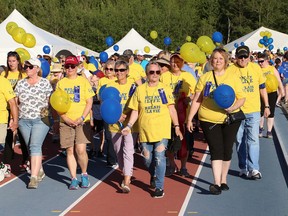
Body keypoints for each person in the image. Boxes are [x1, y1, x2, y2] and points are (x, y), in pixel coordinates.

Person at [186, 48, 245, 195]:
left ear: (225, 61)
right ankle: (216, 183)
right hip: (209, 118)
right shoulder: (205, 77)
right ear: (211, 60)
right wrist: (189, 118)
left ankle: (223, 179)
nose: (217, 61)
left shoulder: (233, 77)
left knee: (227, 149)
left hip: (230, 118)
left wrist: (232, 107)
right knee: (215, 149)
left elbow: (242, 98)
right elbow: (197, 99)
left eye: (220, 58)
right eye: (215, 58)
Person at [122, 61, 183, 198]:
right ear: (146, 74)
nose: (155, 75)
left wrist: (177, 126)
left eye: (157, 72)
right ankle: (154, 174)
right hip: (145, 131)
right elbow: (136, 111)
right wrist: (129, 126)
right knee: (147, 159)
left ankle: (159, 187)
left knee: (160, 158)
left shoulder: (165, 89)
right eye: (152, 72)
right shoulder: (140, 90)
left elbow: (171, 109)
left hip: (162, 130)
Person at [226, 45, 270, 179]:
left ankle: (254, 168)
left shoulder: (256, 68)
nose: (243, 59)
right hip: (237, 110)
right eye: (240, 57)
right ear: (236, 57)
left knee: (253, 140)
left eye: (245, 56)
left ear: (250, 56)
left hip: (254, 110)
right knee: (239, 140)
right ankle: (243, 167)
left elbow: (262, 88)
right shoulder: (230, 70)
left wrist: (267, 106)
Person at [55, 55, 94, 190]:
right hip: (66, 121)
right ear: (64, 68)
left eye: (72, 66)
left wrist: (82, 118)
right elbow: (57, 103)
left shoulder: (83, 82)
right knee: (70, 150)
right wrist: (65, 118)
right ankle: (73, 178)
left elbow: (89, 102)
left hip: (82, 121)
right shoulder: (61, 83)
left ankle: (84, 174)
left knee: (81, 149)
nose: (70, 69)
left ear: (77, 67)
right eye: (67, 66)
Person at [14, 58, 53, 189]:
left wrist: (55, 118)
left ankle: (33, 177)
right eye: (26, 67)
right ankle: (39, 170)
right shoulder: (20, 84)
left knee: (35, 145)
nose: (27, 69)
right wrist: (14, 118)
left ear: (37, 68)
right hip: (24, 119)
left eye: (30, 67)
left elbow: (50, 102)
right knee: (31, 146)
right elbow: (15, 101)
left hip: (40, 119)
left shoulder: (45, 83)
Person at [160, 54, 197, 177]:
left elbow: (197, 91)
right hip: (168, 115)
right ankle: (171, 164)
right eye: (172, 62)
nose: (174, 64)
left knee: (183, 142)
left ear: (182, 63)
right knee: (170, 142)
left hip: (183, 115)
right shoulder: (164, 76)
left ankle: (184, 166)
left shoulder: (187, 76)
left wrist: (188, 98)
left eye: (177, 62)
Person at [107, 60, 135, 193]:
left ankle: (126, 181)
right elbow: (105, 103)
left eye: (122, 70)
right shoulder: (110, 86)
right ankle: (126, 172)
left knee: (128, 151)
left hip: (129, 125)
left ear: (127, 71)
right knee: (118, 152)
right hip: (114, 125)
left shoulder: (133, 86)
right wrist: (116, 116)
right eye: (116, 70)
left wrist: (124, 114)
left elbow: (135, 103)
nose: (119, 73)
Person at [2, 51, 28, 175]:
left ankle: (26, 159)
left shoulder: (22, 75)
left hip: (20, 109)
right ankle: (7, 163)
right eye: (9, 61)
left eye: (13, 61)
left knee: (22, 137)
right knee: (8, 136)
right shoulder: (4, 74)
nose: (11, 63)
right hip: (7, 109)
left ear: (18, 61)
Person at [257, 52, 284, 138]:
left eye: (261, 61)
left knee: (271, 112)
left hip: (272, 92)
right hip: (261, 92)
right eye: (259, 62)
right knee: (261, 111)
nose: (260, 63)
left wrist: (282, 90)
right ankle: (260, 129)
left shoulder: (272, 69)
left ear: (267, 60)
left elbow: (278, 80)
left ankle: (269, 131)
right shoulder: (257, 70)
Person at [97, 60, 118, 167]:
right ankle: (111, 159)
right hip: (106, 111)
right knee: (109, 136)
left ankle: (118, 154)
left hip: (117, 111)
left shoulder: (118, 80)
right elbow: (99, 97)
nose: (109, 71)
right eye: (107, 69)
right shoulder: (102, 81)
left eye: (111, 69)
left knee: (118, 135)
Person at [0, 74, 18, 178]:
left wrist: (15, 121)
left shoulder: (3, 82)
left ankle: (2, 167)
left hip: (1, 118)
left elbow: (12, 102)